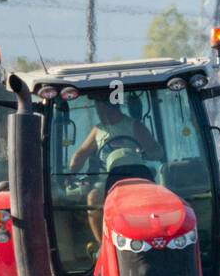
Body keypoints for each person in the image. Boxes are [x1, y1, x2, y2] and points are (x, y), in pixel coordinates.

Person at [70, 97, 164, 242]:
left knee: (154, 204)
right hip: (108, 179)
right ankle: (103, 246)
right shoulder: (98, 130)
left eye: (102, 107)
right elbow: (82, 153)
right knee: (93, 198)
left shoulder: (134, 126)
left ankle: (154, 239)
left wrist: (144, 152)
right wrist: (71, 172)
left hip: (137, 178)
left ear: (112, 106)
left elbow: (157, 151)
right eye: (98, 108)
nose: (99, 111)